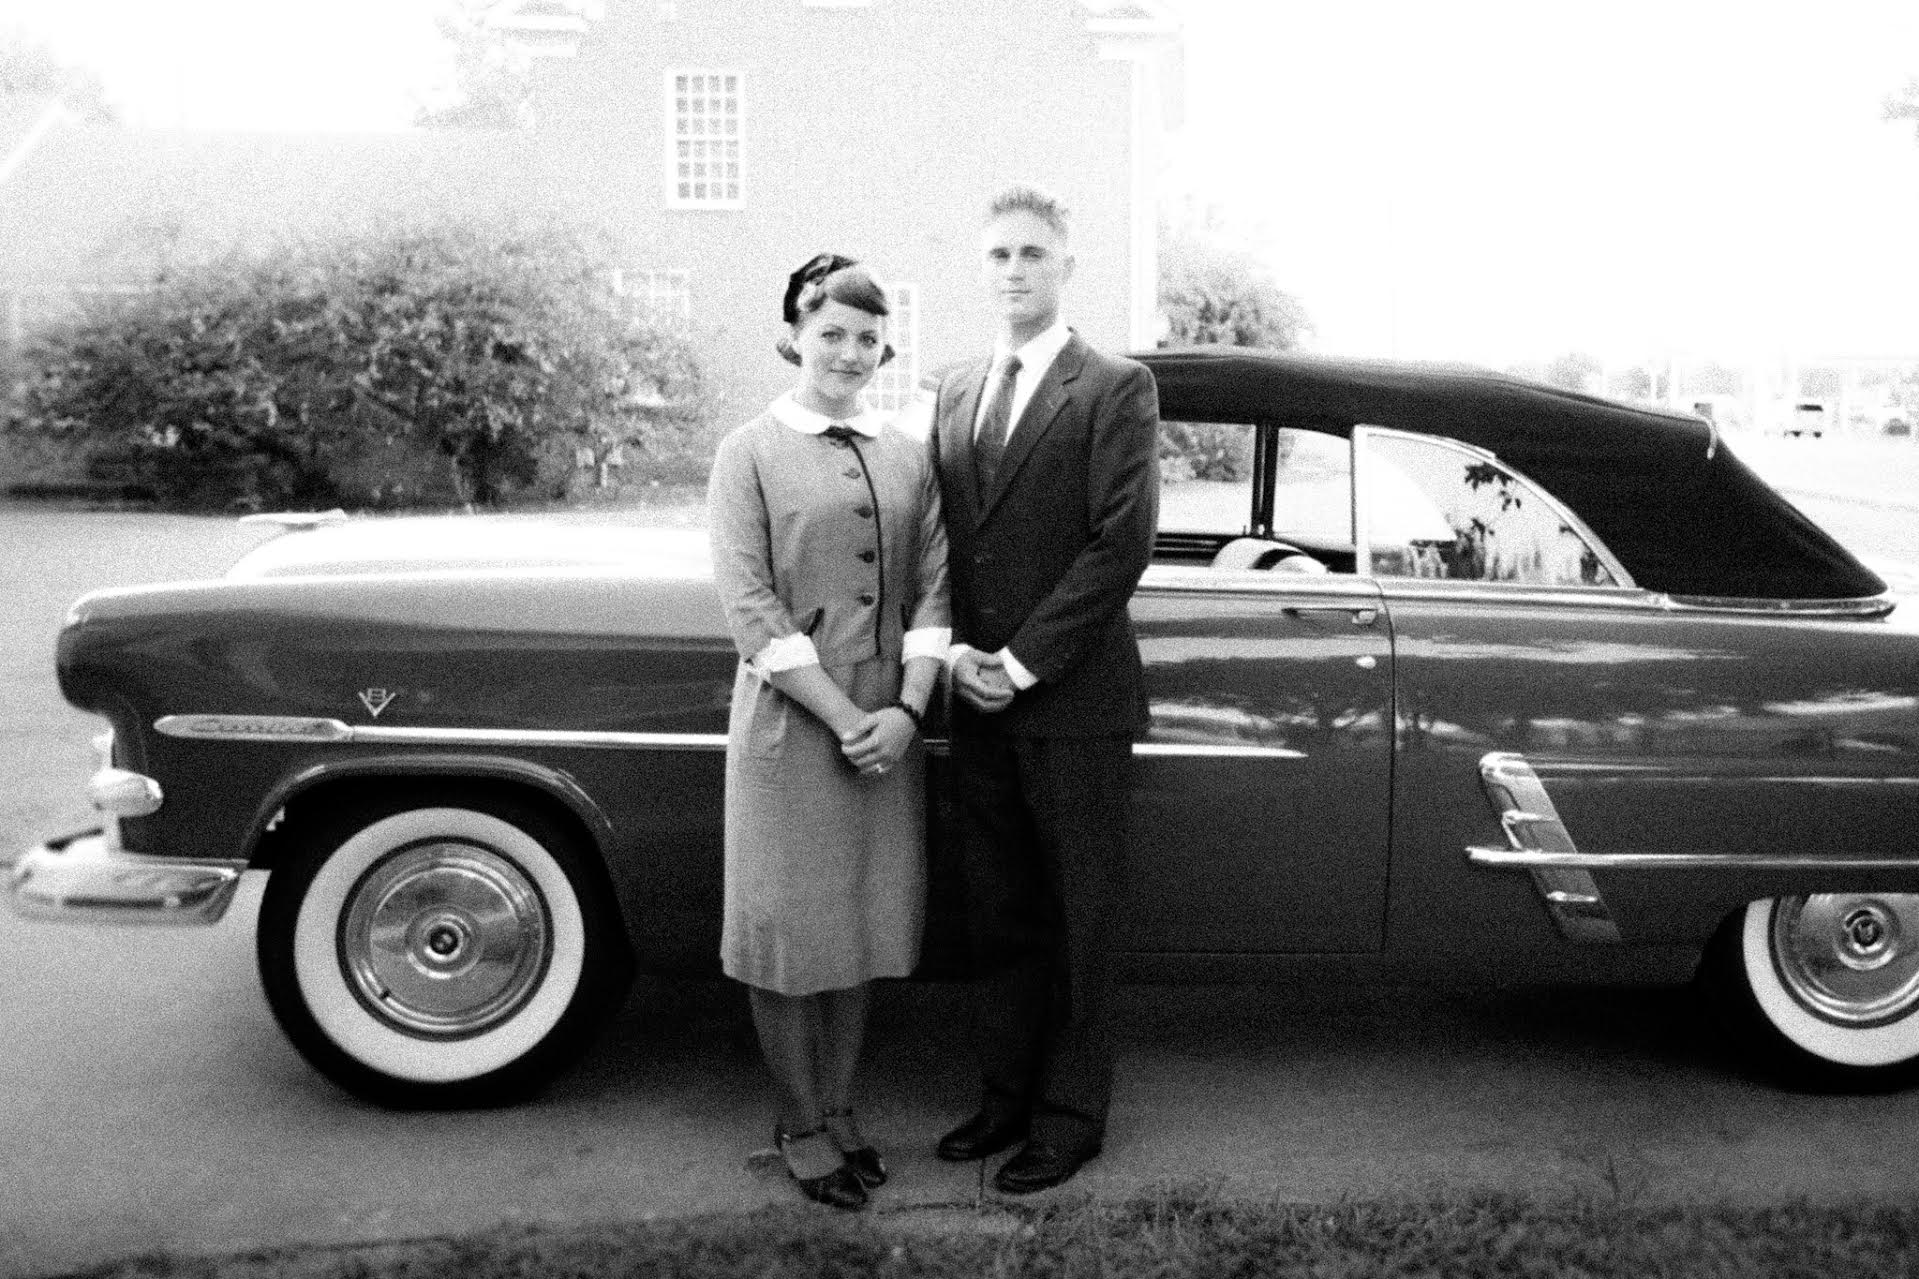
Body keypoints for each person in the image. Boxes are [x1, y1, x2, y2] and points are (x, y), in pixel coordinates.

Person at [927, 186, 1161, 1193]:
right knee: (999, 914)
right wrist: (950, 658)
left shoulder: (1113, 386)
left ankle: (1070, 1118)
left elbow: (1122, 541)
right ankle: (1005, 1096)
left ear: (1065, 265)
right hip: (969, 701)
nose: (1012, 270)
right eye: (996, 255)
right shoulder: (953, 387)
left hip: (1067, 701)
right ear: (979, 268)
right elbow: (938, 535)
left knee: (1077, 916)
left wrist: (1017, 662)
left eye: (1031, 253)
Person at [706, 254, 951, 1211]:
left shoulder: (906, 454)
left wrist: (906, 709)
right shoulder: (748, 452)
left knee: (862, 921)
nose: (849, 353)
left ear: (883, 345)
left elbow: (936, 582)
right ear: (794, 339)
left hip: (888, 722)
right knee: (787, 931)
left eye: (865, 337)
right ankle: (799, 1118)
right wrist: (850, 717)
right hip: (792, 725)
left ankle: (842, 1107)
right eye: (830, 334)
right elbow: (750, 605)